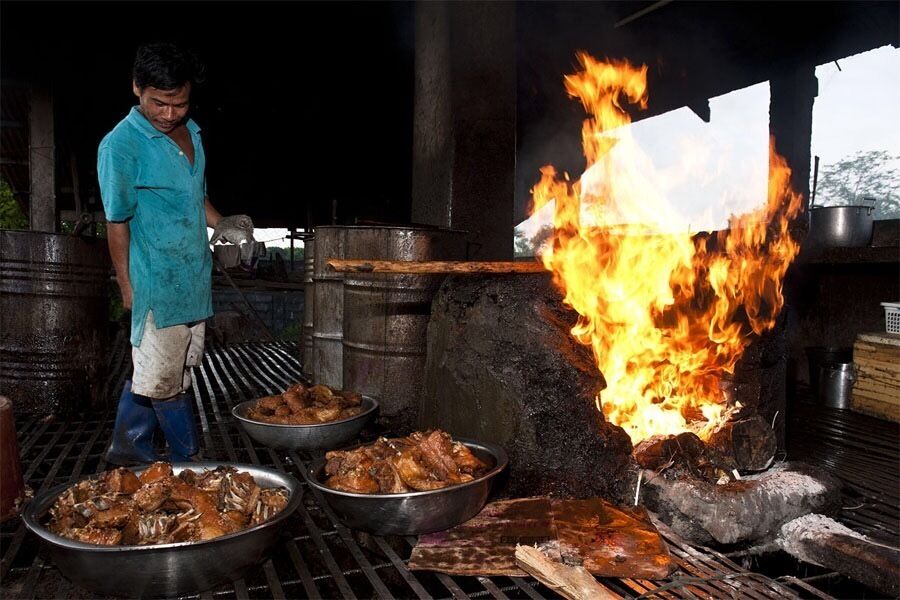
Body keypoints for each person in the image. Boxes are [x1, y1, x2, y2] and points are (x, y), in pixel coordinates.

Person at [98, 42, 252, 465]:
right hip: (155, 284)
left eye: (179, 104)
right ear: (136, 87)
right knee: (165, 382)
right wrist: (127, 287)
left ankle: (128, 446)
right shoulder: (120, 146)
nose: (169, 114)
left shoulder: (193, 134)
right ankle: (191, 456)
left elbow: (194, 199)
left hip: (192, 279)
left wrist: (223, 223)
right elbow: (116, 221)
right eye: (158, 103)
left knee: (167, 369)